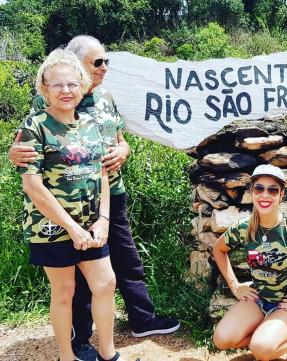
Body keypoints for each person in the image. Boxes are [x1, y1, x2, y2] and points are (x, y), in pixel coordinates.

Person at [8, 35, 179, 360]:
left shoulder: (102, 102)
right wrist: (13, 153)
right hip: (58, 214)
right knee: (72, 285)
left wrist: (124, 151)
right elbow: (28, 156)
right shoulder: (42, 112)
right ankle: (77, 342)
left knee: (115, 270)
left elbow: (116, 141)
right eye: (97, 62)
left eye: (105, 62)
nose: (104, 68)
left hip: (105, 198)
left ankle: (130, 330)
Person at [17, 48, 126, 361]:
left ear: (82, 86)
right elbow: (33, 186)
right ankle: (68, 356)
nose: (66, 91)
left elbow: (104, 172)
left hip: (91, 225)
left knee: (105, 283)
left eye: (72, 84)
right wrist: (72, 228)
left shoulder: (90, 123)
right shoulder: (35, 126)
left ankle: (108, 354)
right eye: (57, 85)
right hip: (51, 226)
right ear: (44, 89)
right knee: (64, 291)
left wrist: (103, 219)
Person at [212, 164, 287, 361]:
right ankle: (270, 336)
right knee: (222, 339)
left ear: (281, 195)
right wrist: (234, 285)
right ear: (252, 192)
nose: (265, 195)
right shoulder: (244, 227)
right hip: (259, 298)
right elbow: (218, 250)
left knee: (261, 349)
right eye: (259, 188)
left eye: (272, 190)